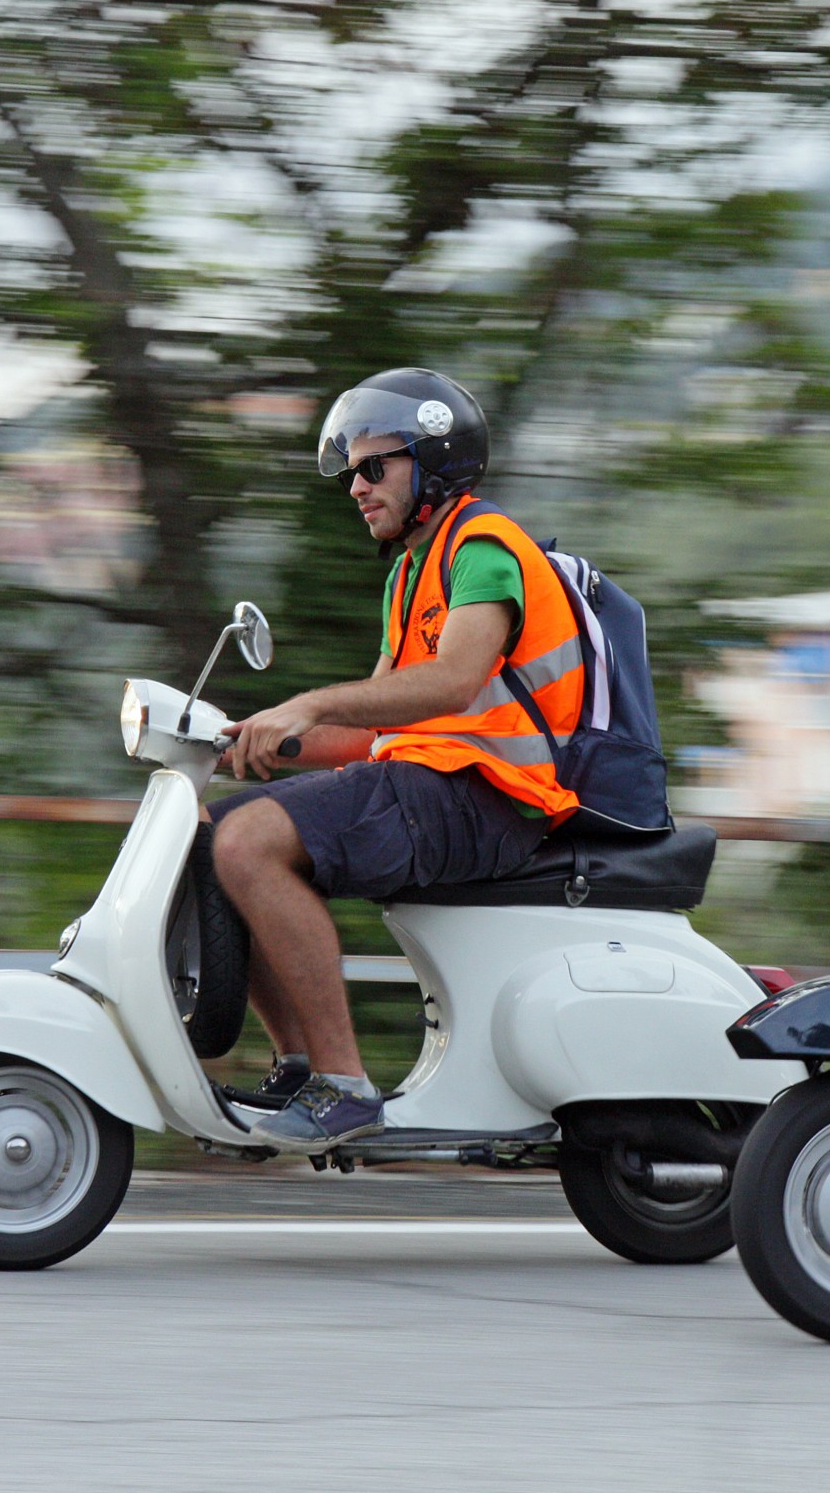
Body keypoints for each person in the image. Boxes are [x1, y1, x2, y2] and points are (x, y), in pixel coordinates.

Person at [204, 367, 586, 1152]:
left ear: (434, 462)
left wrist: (309, 703)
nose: (356, 485)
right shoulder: (413, 569)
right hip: (427, 781)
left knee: (248, 843)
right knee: (216, 832)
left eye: (375, 466)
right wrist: (261, 735)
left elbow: (452, 680)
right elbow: (377, 730)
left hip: (488, 796)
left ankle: (344, 1089)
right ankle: (300, 1068)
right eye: (351, 471)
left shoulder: (484, 546)